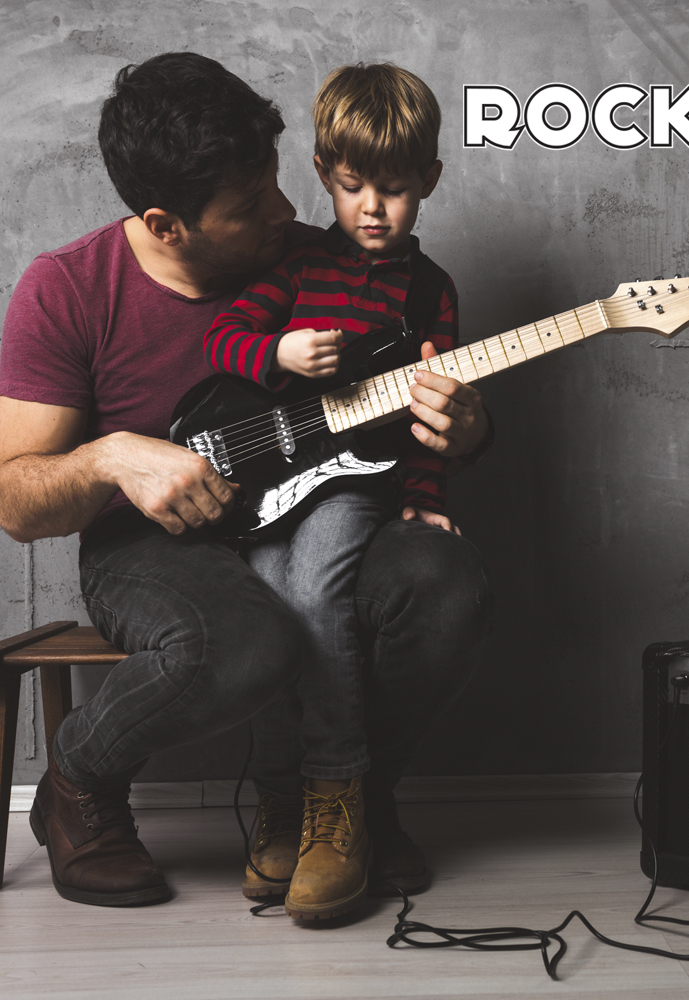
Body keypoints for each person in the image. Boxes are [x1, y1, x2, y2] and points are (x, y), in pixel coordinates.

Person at [0, 52, 492, 915]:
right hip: (154, 544)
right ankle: (80, 780)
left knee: (443, 584)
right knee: (249, 639)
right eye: (252, 204)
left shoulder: (317, 257)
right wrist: (114, 454)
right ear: (166, 223)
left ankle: (355, 801)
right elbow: (15, 500)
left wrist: (468, 426)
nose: (288, 211)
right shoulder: (66, 288)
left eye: (275, 184)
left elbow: (409, 398)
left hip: (310, 506)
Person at [202, 63, 466, 919]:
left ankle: (335, 795)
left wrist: (424, 492)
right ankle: (283, 801)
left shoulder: (431, 291)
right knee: (274, 607)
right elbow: (224, 338)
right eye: (353, 187)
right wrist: (276, 353)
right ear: (324, 175)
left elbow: (434, 407)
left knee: (314, 593)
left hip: (357, 483)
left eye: (394, 189)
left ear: (428, 180)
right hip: (272, 480)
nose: (373, 209)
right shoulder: (297, 262)